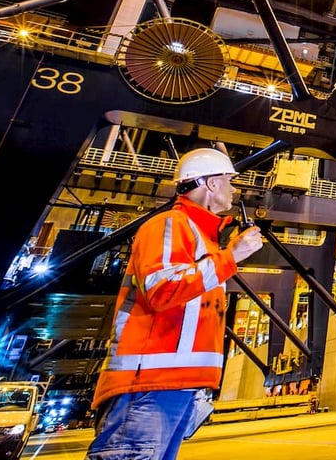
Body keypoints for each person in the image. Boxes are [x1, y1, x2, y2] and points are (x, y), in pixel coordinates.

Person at [85, 147, 264, 460]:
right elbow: (162, 290)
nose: (234, 189)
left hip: (176, 386)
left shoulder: (204, 241)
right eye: (229, 180)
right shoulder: (169, 224)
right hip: (148, 385)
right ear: (210, 184)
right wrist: (231, 256)